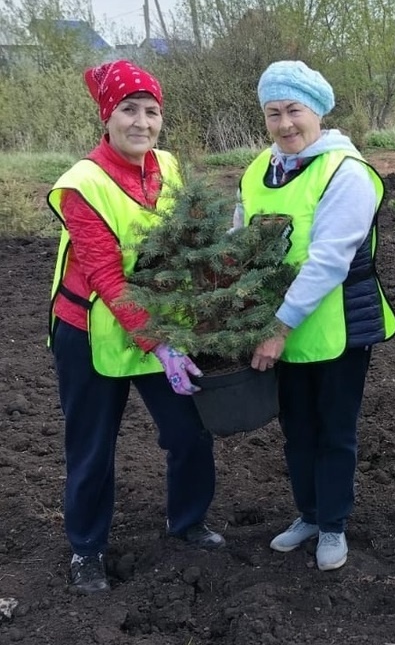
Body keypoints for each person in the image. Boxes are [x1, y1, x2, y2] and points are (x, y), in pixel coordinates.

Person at [48, 60, 223, 596]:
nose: (141, 122)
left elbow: (189, 238)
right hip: (90, 331)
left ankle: (187, 520)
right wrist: (161, 346)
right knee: (92, 444)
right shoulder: (82, 184)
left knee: (190, 431)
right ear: (107, 116)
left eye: (151, 111)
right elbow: (106, 275)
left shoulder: (166, 166)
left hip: (160, 325)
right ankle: (86, 549)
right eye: (129, 110)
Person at [235, 60, 395, 572]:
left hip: (335, 330)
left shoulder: (345, 172)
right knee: (297, 429)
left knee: (334, 431)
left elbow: (329, 260)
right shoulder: (258, 170)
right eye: (273, 113)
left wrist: (278, 327)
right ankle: (308, 514)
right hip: (277, 330)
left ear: (317, 112)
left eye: (294, 110)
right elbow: (240, 241)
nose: (285, 124)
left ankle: (333, 525)